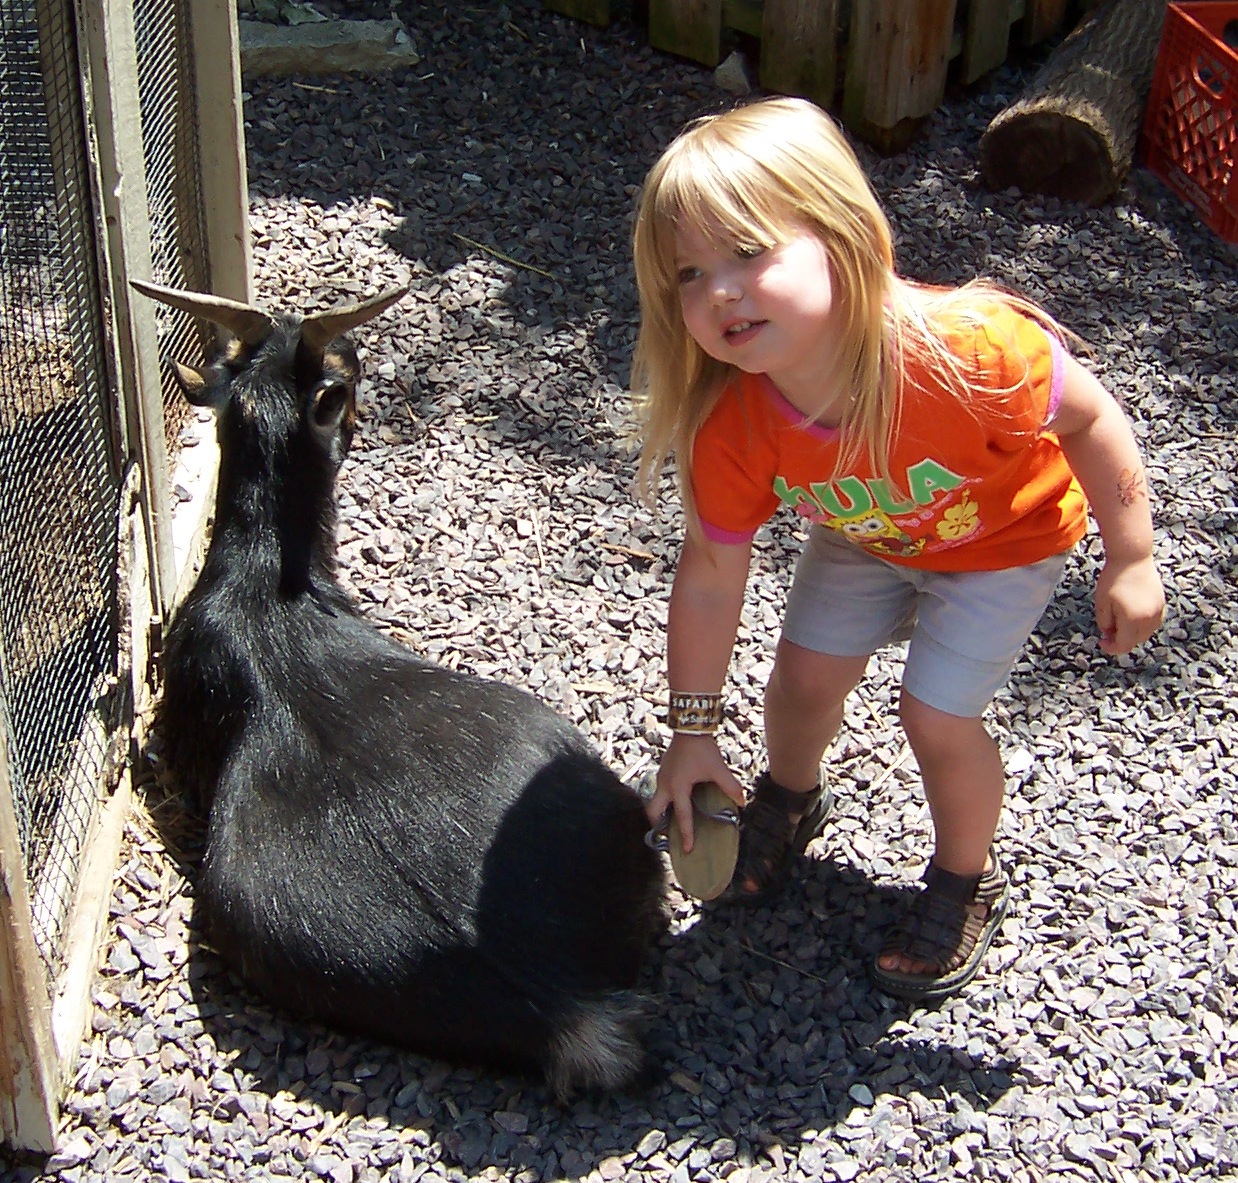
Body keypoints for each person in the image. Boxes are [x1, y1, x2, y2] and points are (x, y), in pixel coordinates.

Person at [630, 96, 1165, 1001]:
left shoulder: (971, 353)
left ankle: (963, 877)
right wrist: (691, 733)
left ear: (840, 235)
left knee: (936, 716)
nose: (717, 290)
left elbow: (1092, 416)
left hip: (1004, 541)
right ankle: (790, 799)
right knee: (799, 682)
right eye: (688, 272)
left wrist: (1132, 554)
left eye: (750, 252)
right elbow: (714, 572)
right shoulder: (738, 425)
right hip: (868, 533)